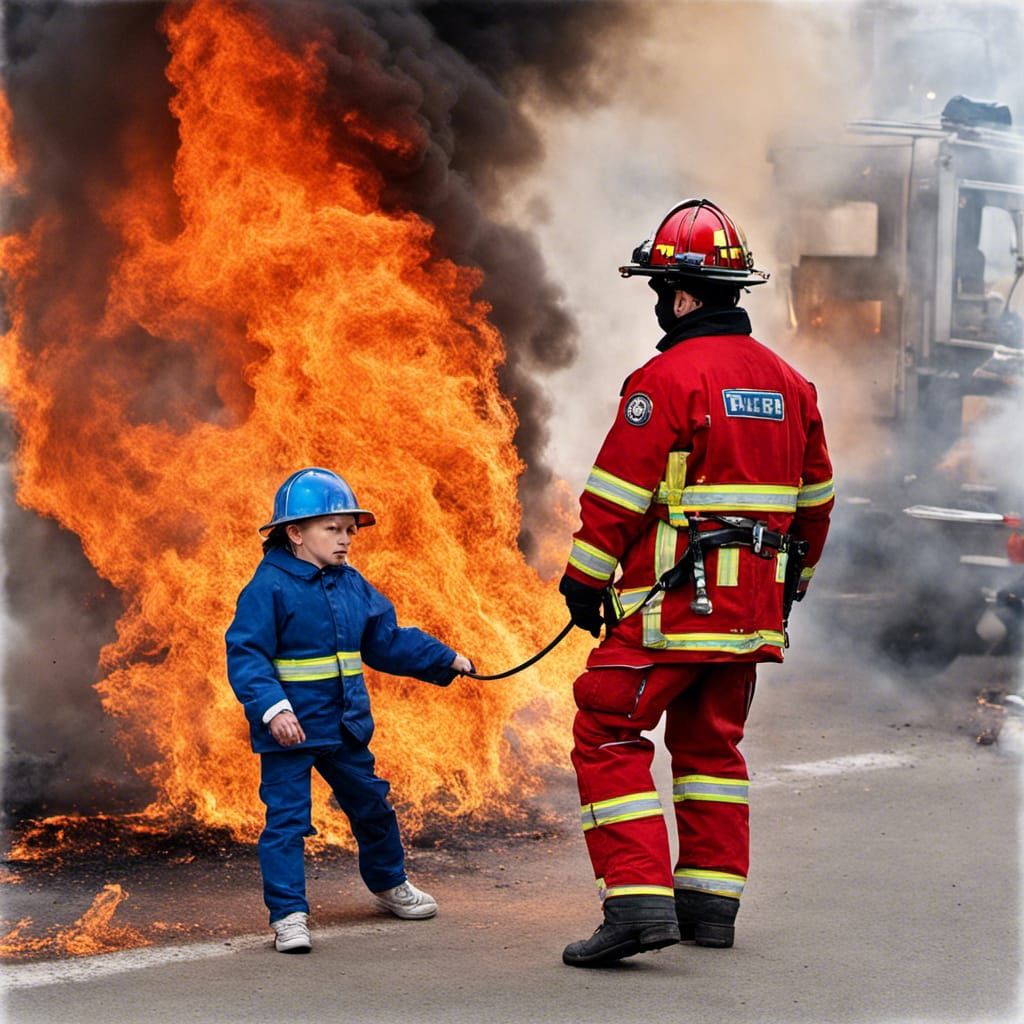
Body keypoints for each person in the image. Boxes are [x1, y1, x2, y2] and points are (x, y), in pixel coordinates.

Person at [558, 199, 833, 967]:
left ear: (681, 293)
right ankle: (710, 907)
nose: (657, 303)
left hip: (672, 610)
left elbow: (617, 493)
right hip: (749, 617)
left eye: (658, 289)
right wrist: (789, 587)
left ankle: (637, 901)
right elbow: (815, 505)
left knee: (606, 726)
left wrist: (585, 581)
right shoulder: (792, 385)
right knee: (712, 748)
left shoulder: (667, 379)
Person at [226, 467, 474, 954]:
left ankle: (388, 884)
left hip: (344, 728)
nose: (345, 541)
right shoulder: (268, 588)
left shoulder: (351, 585)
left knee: (373, 808)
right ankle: (289, 915)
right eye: (332, 530)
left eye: (349, 531)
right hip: (290, 733)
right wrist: (273, 710)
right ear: (295, 533)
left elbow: (386, 641)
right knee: (287, 824)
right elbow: (247, 655)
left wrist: (444, 659)